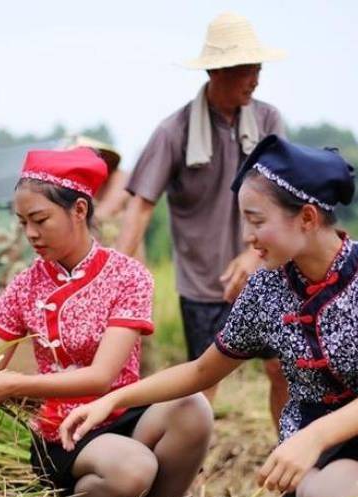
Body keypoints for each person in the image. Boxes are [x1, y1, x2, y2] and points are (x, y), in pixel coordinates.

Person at [61, 136, 358, 497]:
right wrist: (114, 400)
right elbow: (202, 370)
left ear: (308, 218)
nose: (246, 236)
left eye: (256, 221)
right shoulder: (265, 290)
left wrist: (317, 435)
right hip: (322, 460)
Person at [0, 148, 212, 497]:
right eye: (22, 223)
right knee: (133, 469)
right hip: (62, 433)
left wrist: (14, 385)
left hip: (123, 413)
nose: (31, 234)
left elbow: (102, 377)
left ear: (79, 210)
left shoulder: (128, 276)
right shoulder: (24, 286)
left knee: (194, 407)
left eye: (40, 219)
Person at [116, 12, 288, 418]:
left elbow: (285, 198)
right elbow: (140, 206)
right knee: (201, 383)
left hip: (264, 273)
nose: (256, 79)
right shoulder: (173, 132)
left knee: (282, 369)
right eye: (247, 69)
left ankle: (290, 457)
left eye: (258, 68)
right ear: (217, 71)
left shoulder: (268, 121)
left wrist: (256, 256)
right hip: (202, 283)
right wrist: (116, 278)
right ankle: (192, 468)